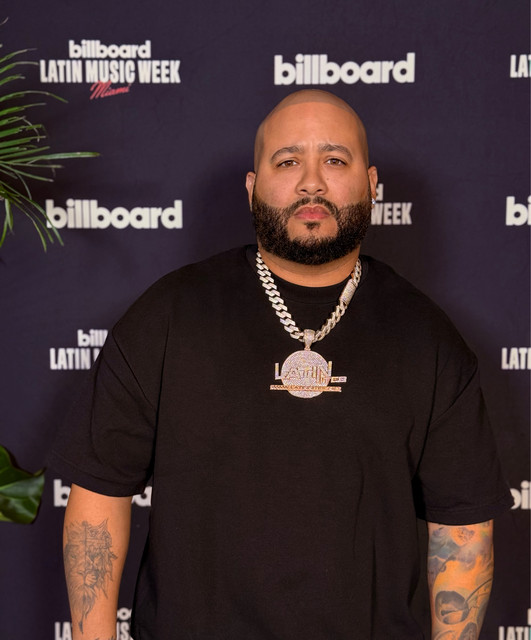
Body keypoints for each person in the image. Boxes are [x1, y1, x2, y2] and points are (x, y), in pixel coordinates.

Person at [50, 89, 513, 640]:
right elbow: (99, 498)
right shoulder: (167, 316)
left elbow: (462, 531)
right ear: (252, 188)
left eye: (334, 160)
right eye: (288, 161)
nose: (311, 182)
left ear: (372, 184)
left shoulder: (429, 338)